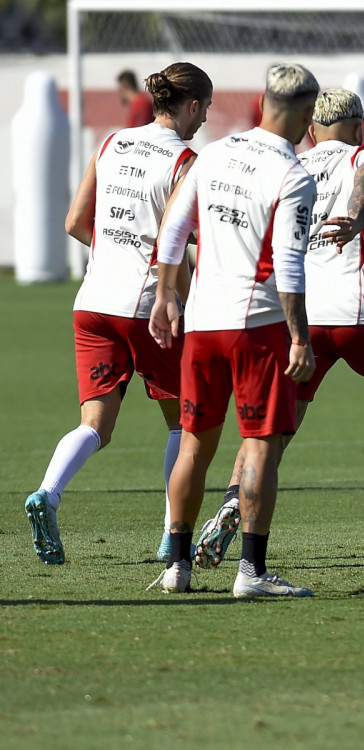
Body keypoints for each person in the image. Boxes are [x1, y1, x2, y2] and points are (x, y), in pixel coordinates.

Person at [191, 89, 364, 569]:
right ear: (359, 128)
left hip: (297, 322)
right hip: (359, 318)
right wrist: (356, 217)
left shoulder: (291, 167)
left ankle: (232, 500)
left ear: (310, 130)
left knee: (271, 429)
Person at [23, 63, 212, 566]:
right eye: (206, 109)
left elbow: (74, 222)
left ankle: (47, 493)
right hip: (146, 306)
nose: (205, 120)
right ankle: (172, 534)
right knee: (183, 423)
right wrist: (187, 300)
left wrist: (114, 252)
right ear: (192, 105)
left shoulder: (111, 142)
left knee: (95, 426)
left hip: (92, 303)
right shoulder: (186, 161)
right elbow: (175, 245)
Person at [147, 63, 320, 598]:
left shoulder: (214, 152)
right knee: (261, 447)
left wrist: (166, 294)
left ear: (263, 103)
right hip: (257, 328)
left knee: (193, 446)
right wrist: (299, 337)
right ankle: (251, 572)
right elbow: (288, 265)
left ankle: (177, 567)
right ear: (307, 115)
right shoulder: (294, 175)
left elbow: (174, 227)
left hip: (202, 326)